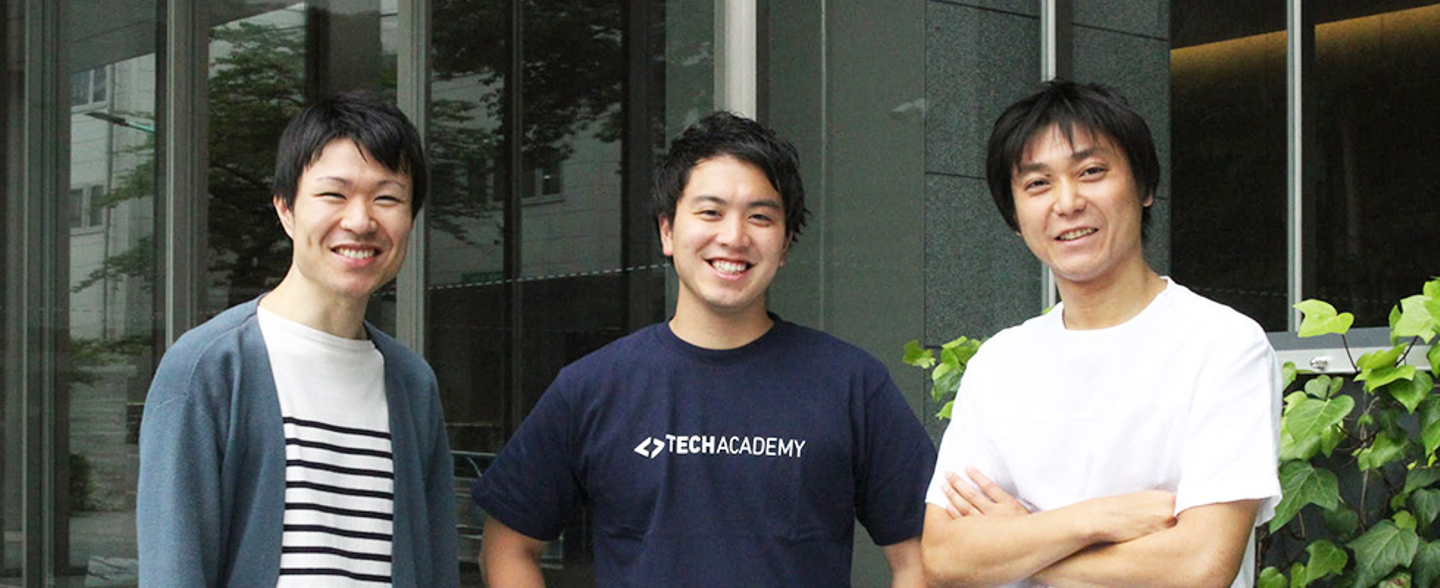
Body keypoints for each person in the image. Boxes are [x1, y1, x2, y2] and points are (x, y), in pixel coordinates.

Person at [472, 111, 936, 586]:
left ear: (785, 244)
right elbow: (507, 547)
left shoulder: (850, 384)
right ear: (667, 231)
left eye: (760, 217)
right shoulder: (593, 386)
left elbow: (922, 556)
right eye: (711, 212)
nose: (733, 237)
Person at [920, 81, 1281, 588]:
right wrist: (1095, 520)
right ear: (1015, 217)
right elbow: (944, 556)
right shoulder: (999, 364)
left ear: (1145, 187)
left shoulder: (1223, 345)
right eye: (1038, 184)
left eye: (1091, 172)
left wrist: (1022, 541)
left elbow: (1199, 567)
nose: (1067, 203)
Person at [137, 92, 458, 587]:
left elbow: (436, 568)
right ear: (285, 209)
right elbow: (173, 571)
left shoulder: (413, 384)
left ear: (411, 218)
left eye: (387, 198)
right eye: (333, 194)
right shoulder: (209, 368)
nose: (360, 221)